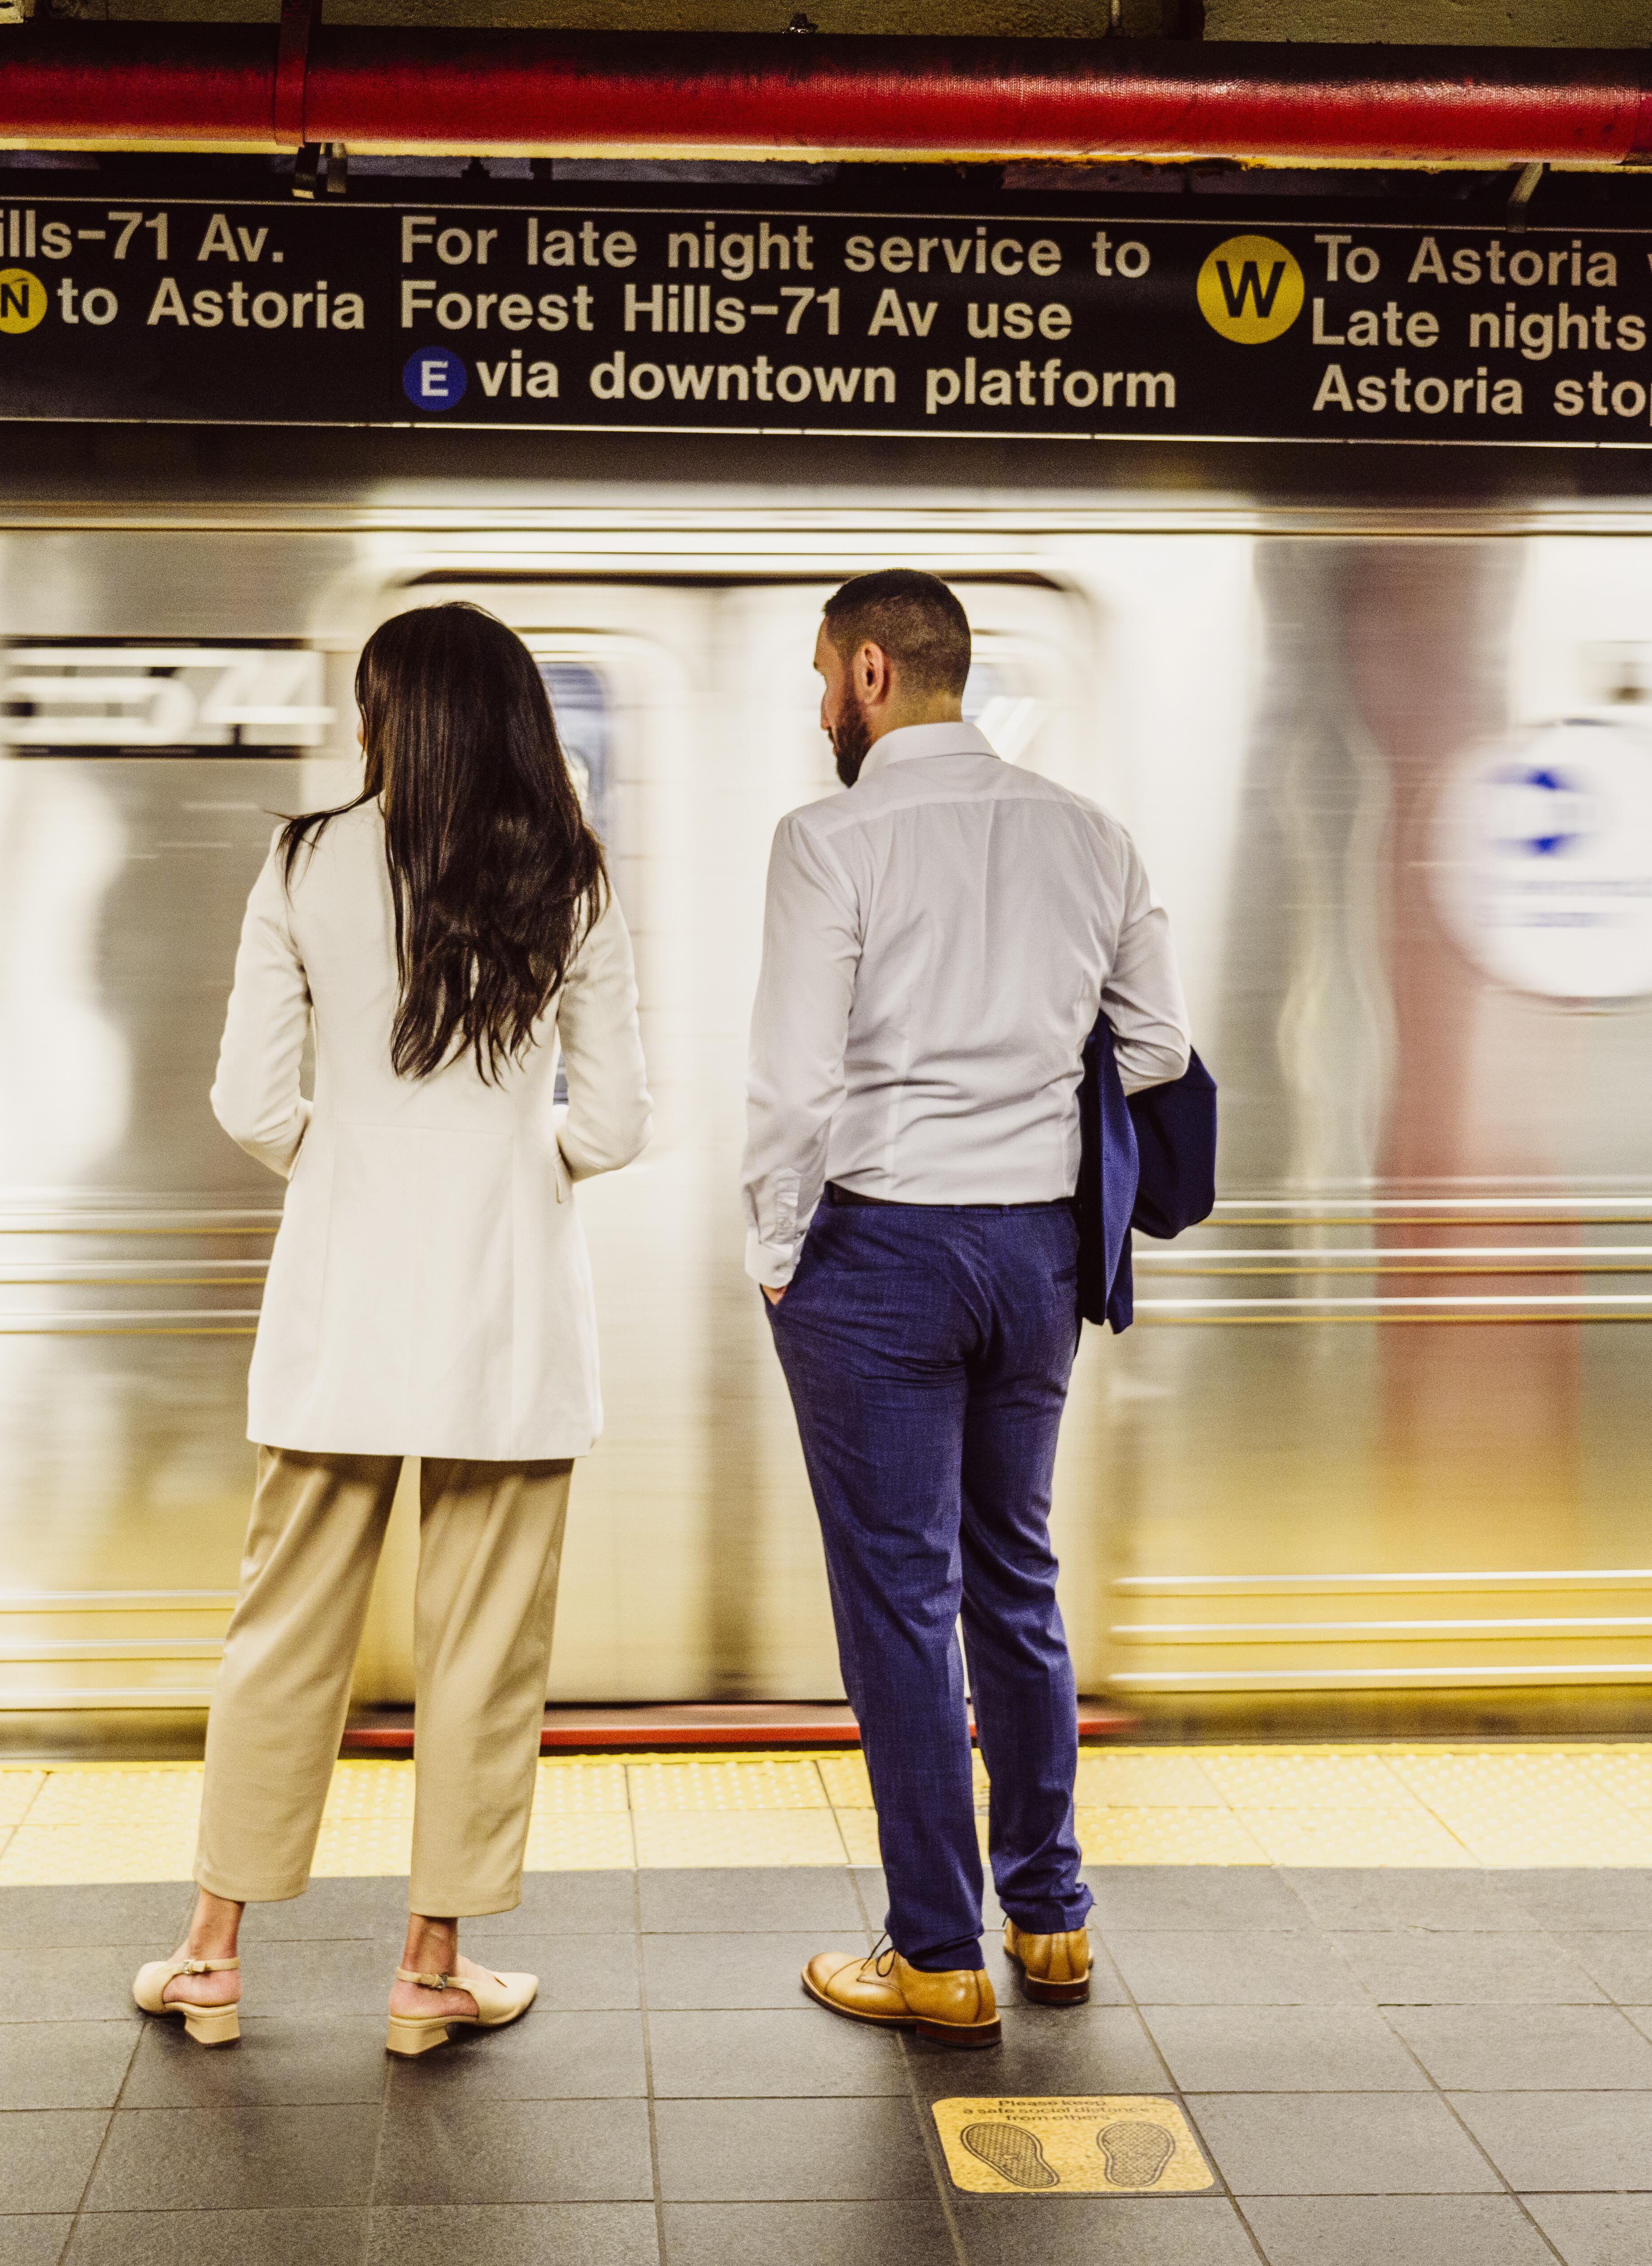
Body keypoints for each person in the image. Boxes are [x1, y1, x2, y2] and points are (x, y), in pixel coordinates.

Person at [136, 602, 650, 2060]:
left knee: (283, 1633)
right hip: (510, 1321)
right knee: (485, 1649)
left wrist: (352, 1166)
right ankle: (430, 1976)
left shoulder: (302, 862)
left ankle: (214, 1958)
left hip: (341, 1313)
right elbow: (615, 1121)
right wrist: (506, 1170)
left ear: (387, 723)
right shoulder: (577, 877)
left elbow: (249, 1104)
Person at [745, 569, 1190, 2047]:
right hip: (1036, 1258)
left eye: (824, 678)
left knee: (899, 1600)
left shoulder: (829, 840)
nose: (822, 709)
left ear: (873, 672)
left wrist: (773, 1246)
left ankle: (936, 1955)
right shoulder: (1091, 836)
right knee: (1015, 1573)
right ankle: (1050, 1922)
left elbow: (796, 1084)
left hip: (879, 1252)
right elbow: (1158, 1047)